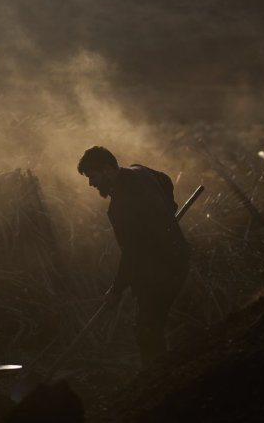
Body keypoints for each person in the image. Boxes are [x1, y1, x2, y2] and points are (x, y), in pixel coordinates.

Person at [77, 146, 189, 367]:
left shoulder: (120, 207)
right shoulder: (140, 171)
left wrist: (116, 290)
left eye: (93, 176)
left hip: (161, 271)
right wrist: (168, 209)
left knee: (148, 330)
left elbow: (133, 254)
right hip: (178, 258)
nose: (91, 183)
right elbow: (165, 180)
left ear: (107, 170)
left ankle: (158, 378)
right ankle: (162, 374)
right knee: (151, 326)